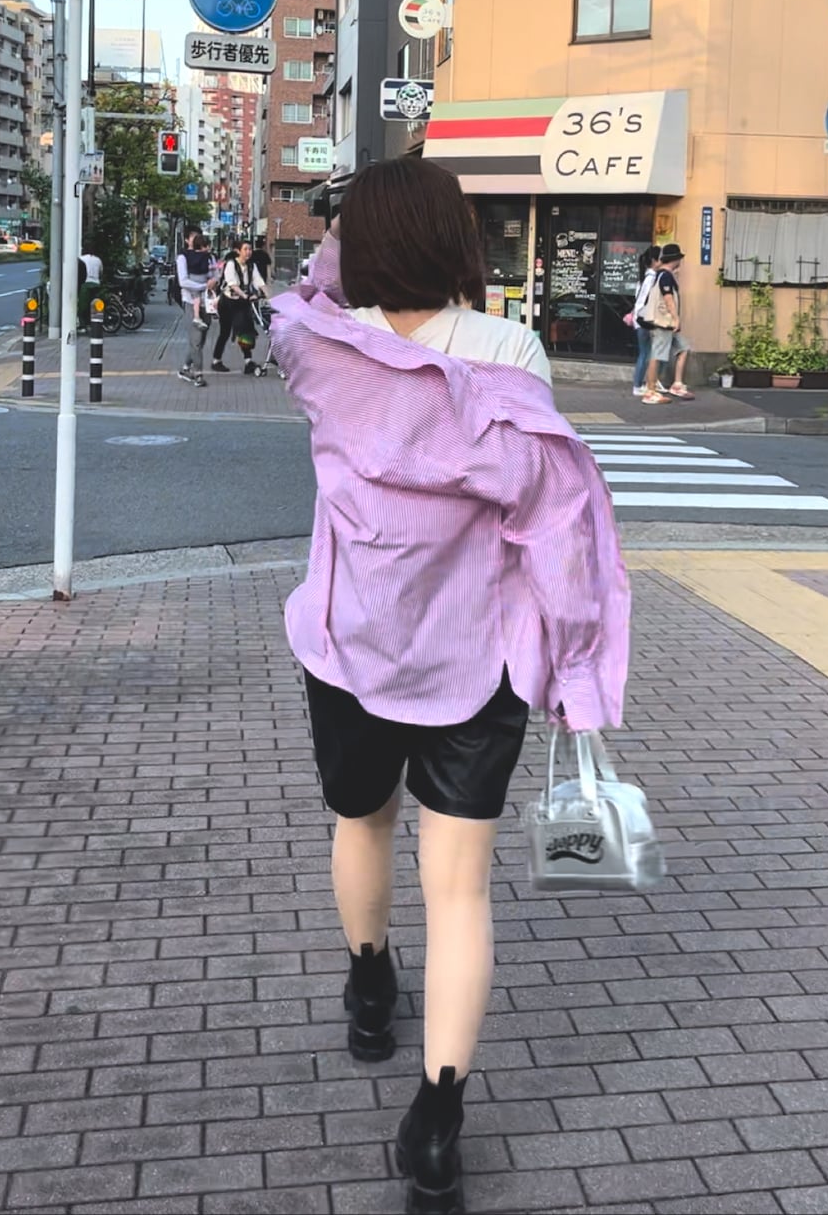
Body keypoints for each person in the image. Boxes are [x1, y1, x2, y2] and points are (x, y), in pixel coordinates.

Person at [268, 158, 629, 1215]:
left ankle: (369, 981)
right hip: (479, 657)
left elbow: (309, 287)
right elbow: (553, 527)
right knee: (460, 886)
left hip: (350, 642)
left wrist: (348, 249)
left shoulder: (317, 347)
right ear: (457, 241)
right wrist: (576, 669)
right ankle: (436, 1125)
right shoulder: (509, 355)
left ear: (361, 244)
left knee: (361, 820)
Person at [642, 242, 694, 403]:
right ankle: (650, 391)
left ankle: (677, 384)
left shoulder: (662, 275)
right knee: (656, 355)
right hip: (662, 322)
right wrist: (676, 318)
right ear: (675, 259)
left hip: (667, 323)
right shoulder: (665, 276)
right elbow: (668, 298)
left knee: (683, 348)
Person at [223, 239, 267, 374]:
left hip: (244, 301)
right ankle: (216, 359)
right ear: (238, 251)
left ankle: (248, 361)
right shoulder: (231, 264)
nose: (248, 252)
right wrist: (245, 296)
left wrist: (269, 296)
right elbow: (232, 284)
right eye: (245, 249)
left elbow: (259, 281)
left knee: (248, 331)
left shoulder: (252, 266)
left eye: (250, 249)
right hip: (230, 301)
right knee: (237, 330)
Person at [176, 227, 213, 388]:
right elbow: (183, 281)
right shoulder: (182, 257)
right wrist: (204, 286)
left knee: (200, 341)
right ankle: (198, 374)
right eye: (193, 237)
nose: (196, 239)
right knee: (196, 340)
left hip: (207, 303)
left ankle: (185, 368)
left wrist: (213, 281)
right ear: (187, 240)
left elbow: (214, 275)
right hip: (190, 301)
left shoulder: (208, 257)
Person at [628, 244, 660, 398]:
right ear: (654, 260)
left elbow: (637, 298)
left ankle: (642, 383)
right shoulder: (652, 278)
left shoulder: (643, 277)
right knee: (646, 353)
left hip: (639, 318)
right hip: (644, 319)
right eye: (661, 258)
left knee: (645, 352)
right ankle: (638, 385)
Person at [77, 247, 103, 330]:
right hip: (96, 284)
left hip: (86, 283)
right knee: (95, 305)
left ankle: (83, 324)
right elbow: (101, 272)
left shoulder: (81, 259)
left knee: (83, 305)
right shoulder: (98, 260)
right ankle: (95, 324)